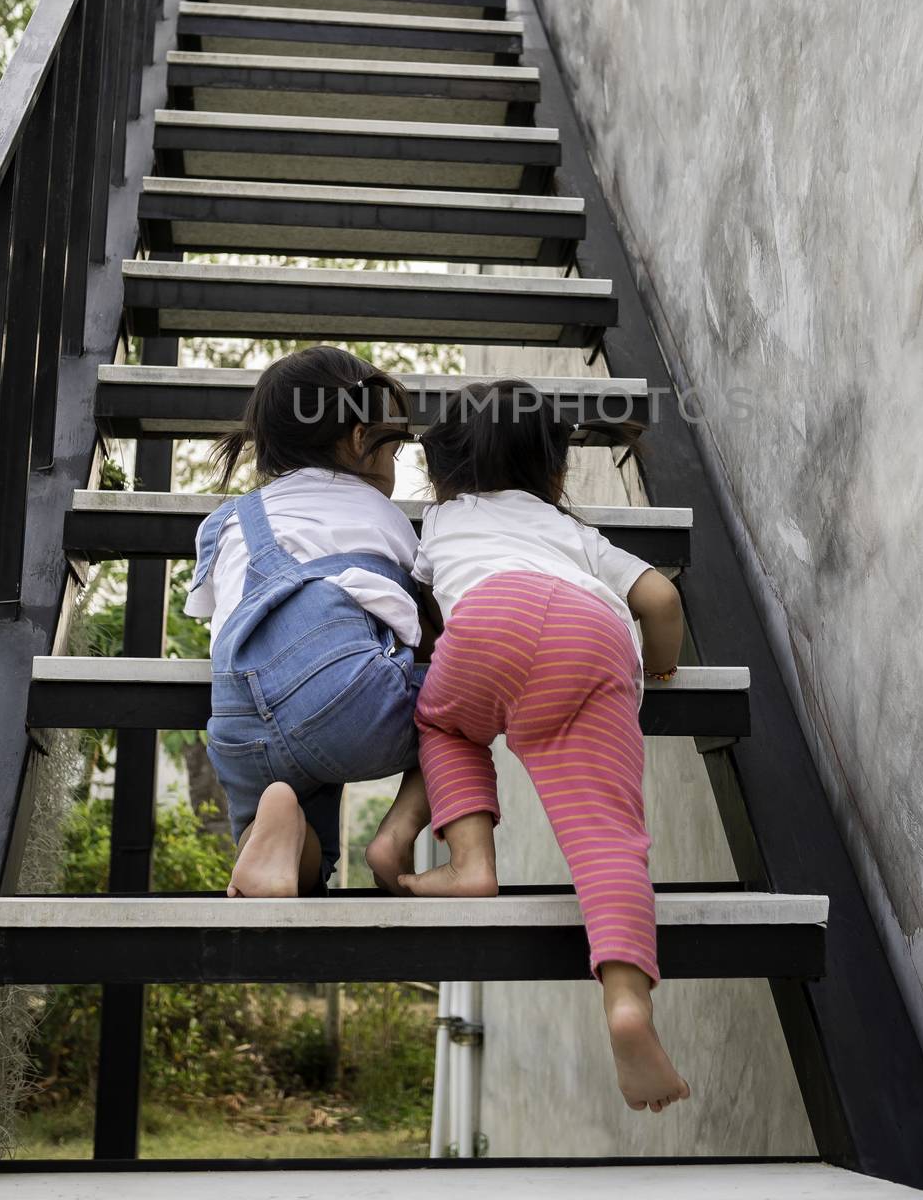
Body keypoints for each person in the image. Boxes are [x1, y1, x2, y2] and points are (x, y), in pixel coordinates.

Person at [398, 380, 691, 1114]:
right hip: (590, 636)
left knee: (441, 723)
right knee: (606, 837)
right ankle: (626, 1002)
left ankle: (470, 863)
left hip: (487, 618)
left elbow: (424, 613)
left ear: (443, 471)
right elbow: (658, 599)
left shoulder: (441, 521)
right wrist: (656, 671)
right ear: (555, 473)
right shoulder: (579, 537)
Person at [184, 345, 433, 897]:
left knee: (303, 861)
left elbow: (216, 613)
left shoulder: (227, 522)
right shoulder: (379, 513)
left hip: (239, 717)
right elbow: (429, 621)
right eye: (393, 451)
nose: (393, 470)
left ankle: (279, 834)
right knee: (472, 701)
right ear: (359, 440)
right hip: (342, 698)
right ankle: (397, 834)